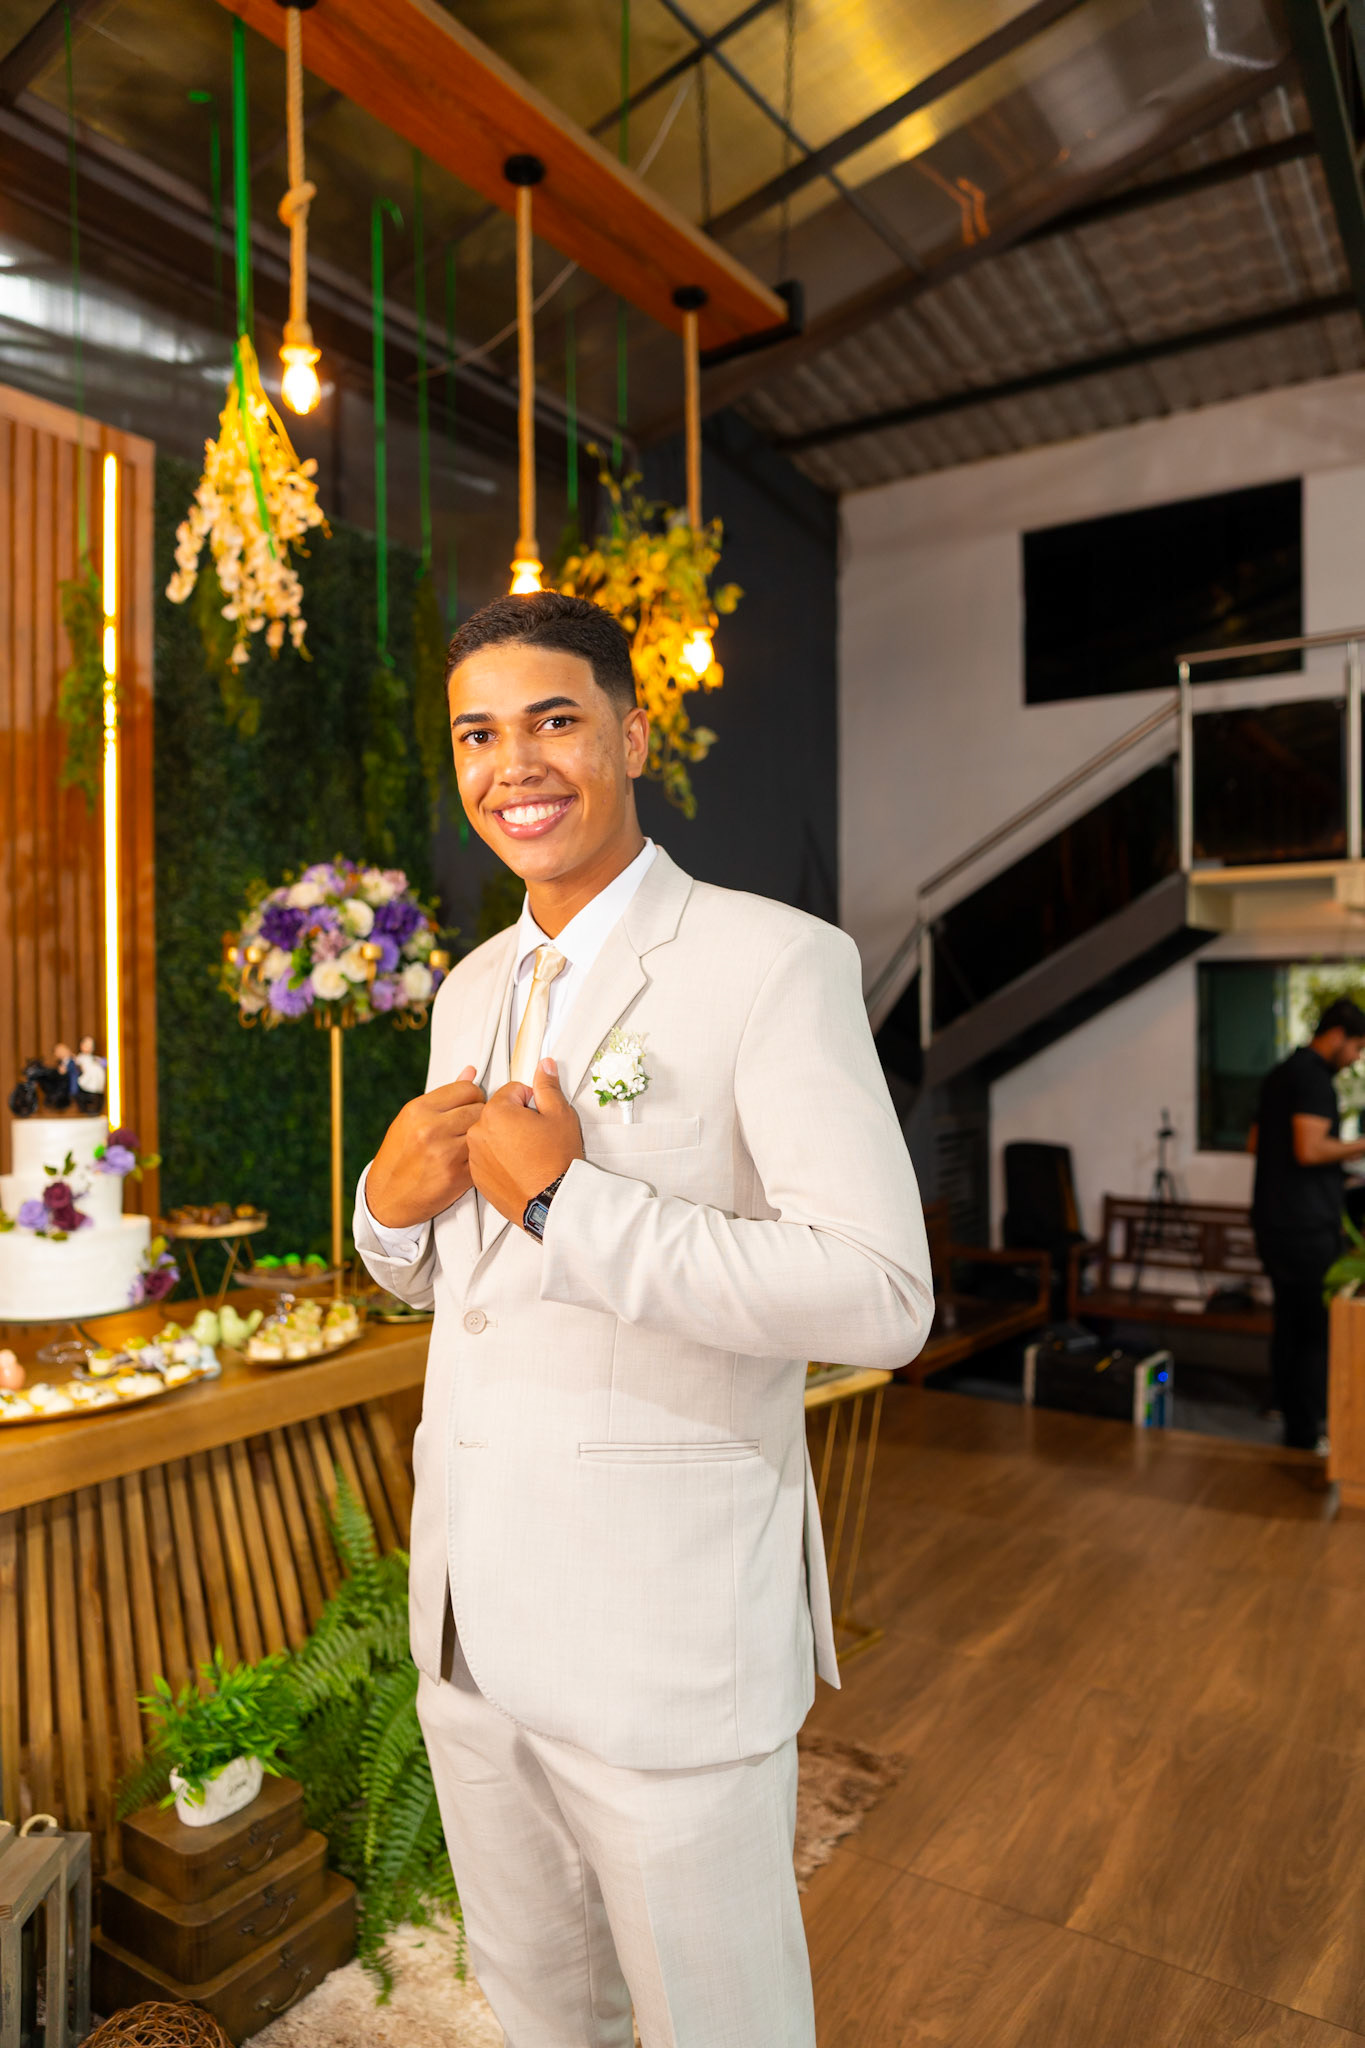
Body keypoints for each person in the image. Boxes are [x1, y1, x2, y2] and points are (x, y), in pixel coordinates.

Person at [354, 590, 932, 2048]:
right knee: (540, 2012)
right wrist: (386, 1208)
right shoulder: (470, 989)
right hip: (471, 1628)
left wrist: (571, 1205)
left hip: (663, 1636)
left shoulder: (771, 961)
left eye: (553, 720)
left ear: (631, 733)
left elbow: (881, 1293)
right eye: (477, 734)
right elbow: (461, 1287)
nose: (513, 764)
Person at [1250, 997, 1365, 1452]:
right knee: (1315, 1331)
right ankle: (1307, 1431)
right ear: (1337, 1036)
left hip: (1273, 1220)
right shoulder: (1314, 1078)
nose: (1355, 1059)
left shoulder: (1281, 1073)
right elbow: (1310, 1149)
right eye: (1357, 1048)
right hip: (1304, 1226)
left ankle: (1284, 1408)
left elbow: (1255, 1142)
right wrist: (1360, 1145)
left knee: (1289, 1322)